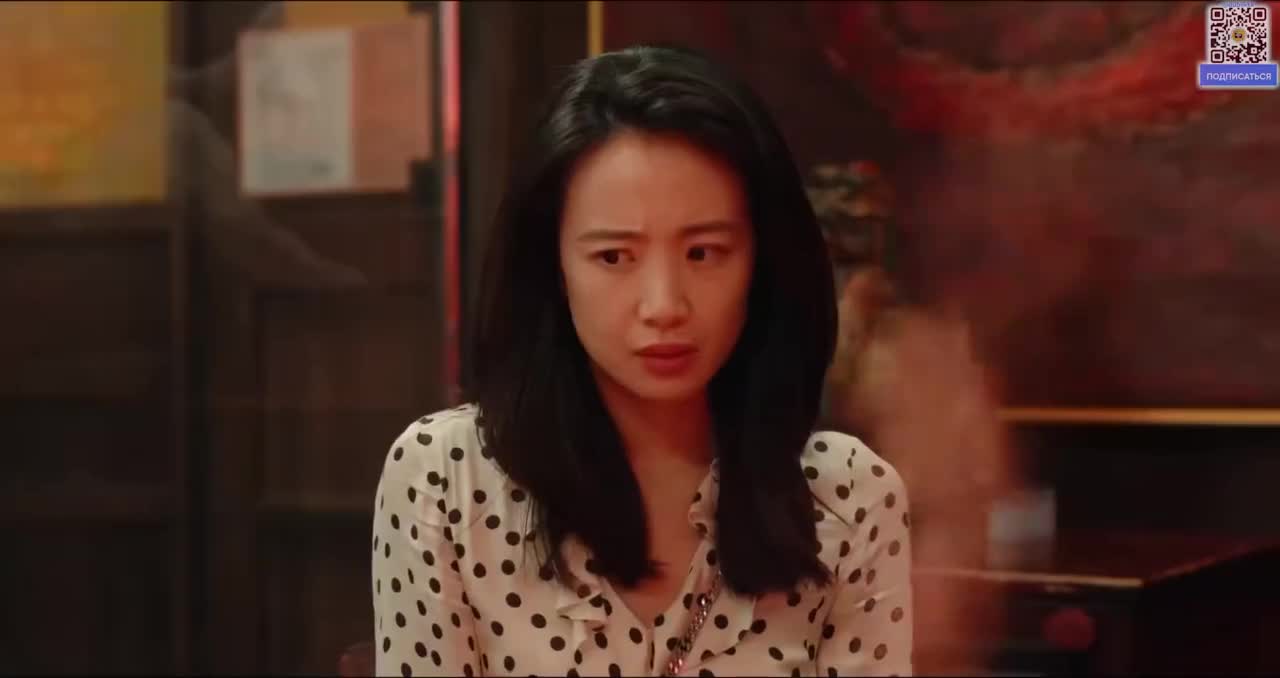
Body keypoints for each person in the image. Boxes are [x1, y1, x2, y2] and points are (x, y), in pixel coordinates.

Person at [371, 44, 912, 677]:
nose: (664, 306)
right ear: (554, 268)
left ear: (762, 262)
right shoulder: (446, 479)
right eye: (614, 258)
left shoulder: (848, 497)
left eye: (704, 253)